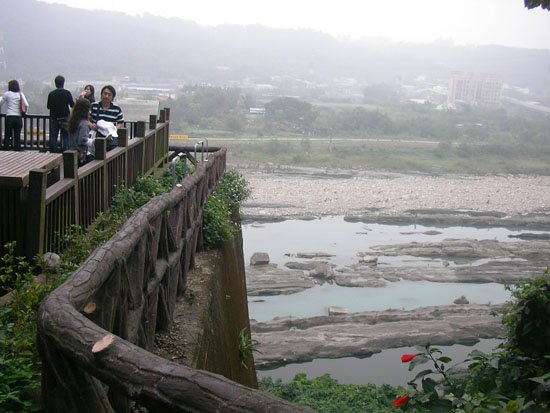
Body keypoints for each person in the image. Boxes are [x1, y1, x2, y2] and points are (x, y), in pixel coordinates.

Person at [90, 85, 124, 151]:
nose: (106, 96)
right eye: (105, 94)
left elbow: (120, 123)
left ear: (112, 97)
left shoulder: (117, 108)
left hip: (110, 137)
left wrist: (113, 129)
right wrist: (90, 125)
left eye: (109, 94)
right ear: (101, 94)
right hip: (96, 136)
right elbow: (85, 118)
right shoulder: (94, 105)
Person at [47, 75, 74, 153]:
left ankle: (53, 153)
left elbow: (48, 106)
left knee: (53, 136)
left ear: (55, 83)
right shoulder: (67, 93)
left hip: (54, 118)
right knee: (66, 136)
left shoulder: (51, 94)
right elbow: (72, 105)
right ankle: (66, 152)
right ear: (63, 83)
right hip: (65, 118)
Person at [0, 79, 29, 151]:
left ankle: (6, 150)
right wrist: (25, 113)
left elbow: (0, 103)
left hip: (9, 117)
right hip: (18, 118)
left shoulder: (7, 94)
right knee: (17, 136)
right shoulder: (20, 94)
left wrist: (2, 96)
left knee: (7, 136)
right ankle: (17, 151)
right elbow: (26, 105)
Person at [67, 97, 94, 165]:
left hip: (72, 152)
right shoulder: (84, 123)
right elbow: (82, 140)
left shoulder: (73, 121)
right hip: (81, 155)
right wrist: (93, 140)